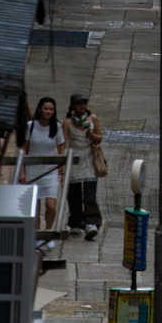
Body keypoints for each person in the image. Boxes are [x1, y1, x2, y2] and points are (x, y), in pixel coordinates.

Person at [63, 94, 103, 239]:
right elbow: (64, 141)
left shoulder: (93, 119)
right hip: (73, 158)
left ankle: (91, 222)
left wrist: (91, 135)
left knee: (89, 193)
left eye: (84, 103)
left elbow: (100, 137)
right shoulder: (67, 122)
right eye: (79, 104)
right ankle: (75, 222)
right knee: (73, 194)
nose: (82, 106)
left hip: (88, 159)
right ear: (73, 105)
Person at [23, 97, 64, 233]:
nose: (48, 111)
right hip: (32, 170)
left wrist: (61, 171)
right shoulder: (30, 126)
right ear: (40, 109)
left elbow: (61, 150)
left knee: (51, 206)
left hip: (50, 171)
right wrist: (22, 171)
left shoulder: (57, 127)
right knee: (35, 207)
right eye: (46, 108)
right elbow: (24, 150)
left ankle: (48, 232)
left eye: (51, 109)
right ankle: (35, 236)